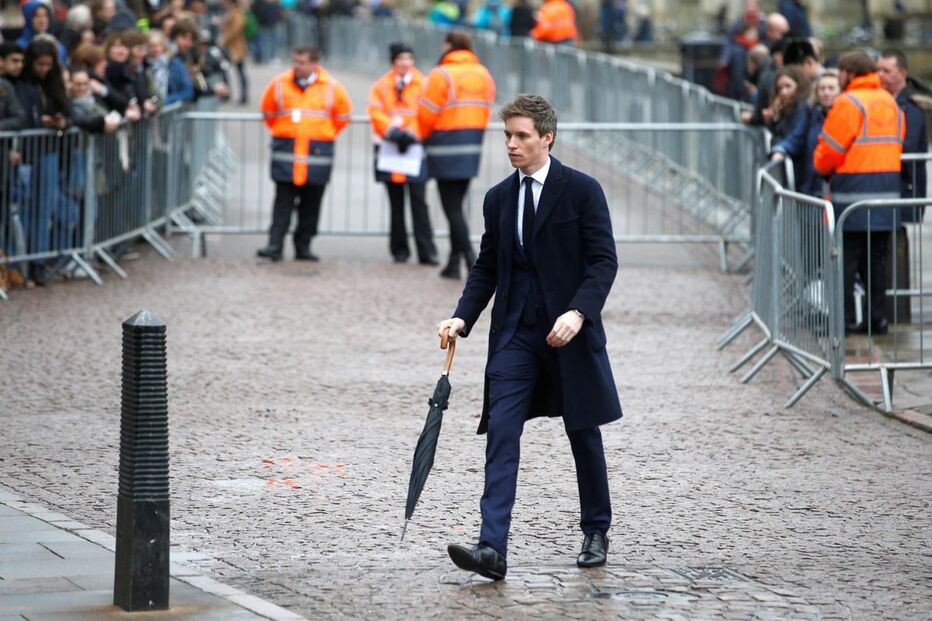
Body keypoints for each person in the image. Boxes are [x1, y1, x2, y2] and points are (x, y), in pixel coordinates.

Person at [437, 94, 622, 581]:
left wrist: (579, 313)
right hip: (515, 335)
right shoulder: (498, 198)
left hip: (569, 334)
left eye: (522, 136)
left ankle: (596, 530)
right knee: (501, 430)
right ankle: (491, 548)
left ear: (547, 137)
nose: (512, 145)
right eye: (507, 136)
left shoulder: (582, 191)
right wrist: (461, 318)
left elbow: (603, 261)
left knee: (583, 430)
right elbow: (487, 268)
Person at [814, 51, 905, 335]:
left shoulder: (848, 102)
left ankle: (840, 321)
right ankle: (876, 319)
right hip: (887, 192)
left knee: (845, 262)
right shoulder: (889, 101)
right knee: (876, 262)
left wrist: (820, 166)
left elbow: (829, 150)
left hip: (852, 194)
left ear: (848, 73)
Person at [257, 45, 351, 262]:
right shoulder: (279, 83)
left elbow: (343, 117)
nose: (297, 66)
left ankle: (303, 246)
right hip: (287, 153)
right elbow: (268, 112)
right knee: (283, 202)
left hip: (317, 154)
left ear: (314, 64)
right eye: (295, 62)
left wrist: (322, 133)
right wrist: (285, 131)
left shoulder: (332, 87)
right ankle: (275, 245)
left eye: (302, 62)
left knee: (311, 204)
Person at [417, 31, 495, 279]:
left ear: (448, 45)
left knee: (451, 207)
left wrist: (421, 136)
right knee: (457, 203)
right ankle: (453, 262)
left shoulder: (441, 74)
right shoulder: (483, 74)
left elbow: (426, 112)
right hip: (472, 142)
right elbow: (488, 106)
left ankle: (471, 259)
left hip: (445, 143)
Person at [367, 43, 438, 265]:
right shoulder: (381, 85)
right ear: (393, 61)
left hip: (414, 147)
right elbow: (375, 112)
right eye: (401, 59)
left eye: (409, 58)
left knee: (419, 201)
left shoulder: (424, 84)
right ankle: (399, 250)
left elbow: (427, 112)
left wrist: (412, 133)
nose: (405, 63)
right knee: (395, 203)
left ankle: (427, 251)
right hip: (390, 147)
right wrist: (393, 132)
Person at [772, 69, 840, 197]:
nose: (826, 93)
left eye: (831, 88)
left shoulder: (845, 116)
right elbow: (797, 137)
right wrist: (780, 149)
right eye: (822, 88)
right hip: (810, 183)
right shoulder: (811, 113)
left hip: (833, 185)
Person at [877, 50, 929, 211]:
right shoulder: (882, 100)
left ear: (903, 73)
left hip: (905, 187)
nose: (880, 75)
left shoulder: (912, 106)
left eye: (887, 71)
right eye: (878, 70)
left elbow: (908, 145)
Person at [763, 66, 809, 141]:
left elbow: (793, 137)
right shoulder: (785, 107)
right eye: (780, 88)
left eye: (788, 86)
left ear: (799, 86)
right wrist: (774, 117)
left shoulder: (802, 107)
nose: (784, 92)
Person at [220, 0, 249, 105]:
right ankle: (227, 93)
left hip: (235, 47)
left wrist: (225, 39)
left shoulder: (237, 13)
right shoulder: (232, 12)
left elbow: (236, 29)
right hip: (232, 47)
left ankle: (243, 96)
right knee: (226, 70)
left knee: (238, 71)